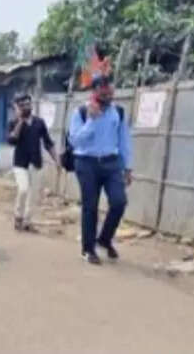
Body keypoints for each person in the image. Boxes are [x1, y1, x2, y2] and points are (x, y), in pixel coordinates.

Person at [68, 73, 132, 265]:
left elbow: (124, 141)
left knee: (119, 202)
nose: (107, 92)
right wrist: (92, 121)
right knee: (90, 206)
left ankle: (104, 239)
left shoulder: (118, 112)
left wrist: (127, 167)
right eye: (102, 89)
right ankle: (88, 249)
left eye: (109, 88)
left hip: (111, 163)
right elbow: (75, 140)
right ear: (94, 91)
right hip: (86, 163)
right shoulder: (80, 112)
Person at [7, 94, 57, 232]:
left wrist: (56, 160)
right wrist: (21, 121)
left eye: (28, 104)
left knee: (33, 194)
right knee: (23, 189)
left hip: (36, 162)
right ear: (17, 107)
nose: (26, 107)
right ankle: (18, 216)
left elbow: (48, 142)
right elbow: (12, 140)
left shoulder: (39, 122)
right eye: (22, 105)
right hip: (20, 163)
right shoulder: (13, 123)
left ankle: (27, 221)